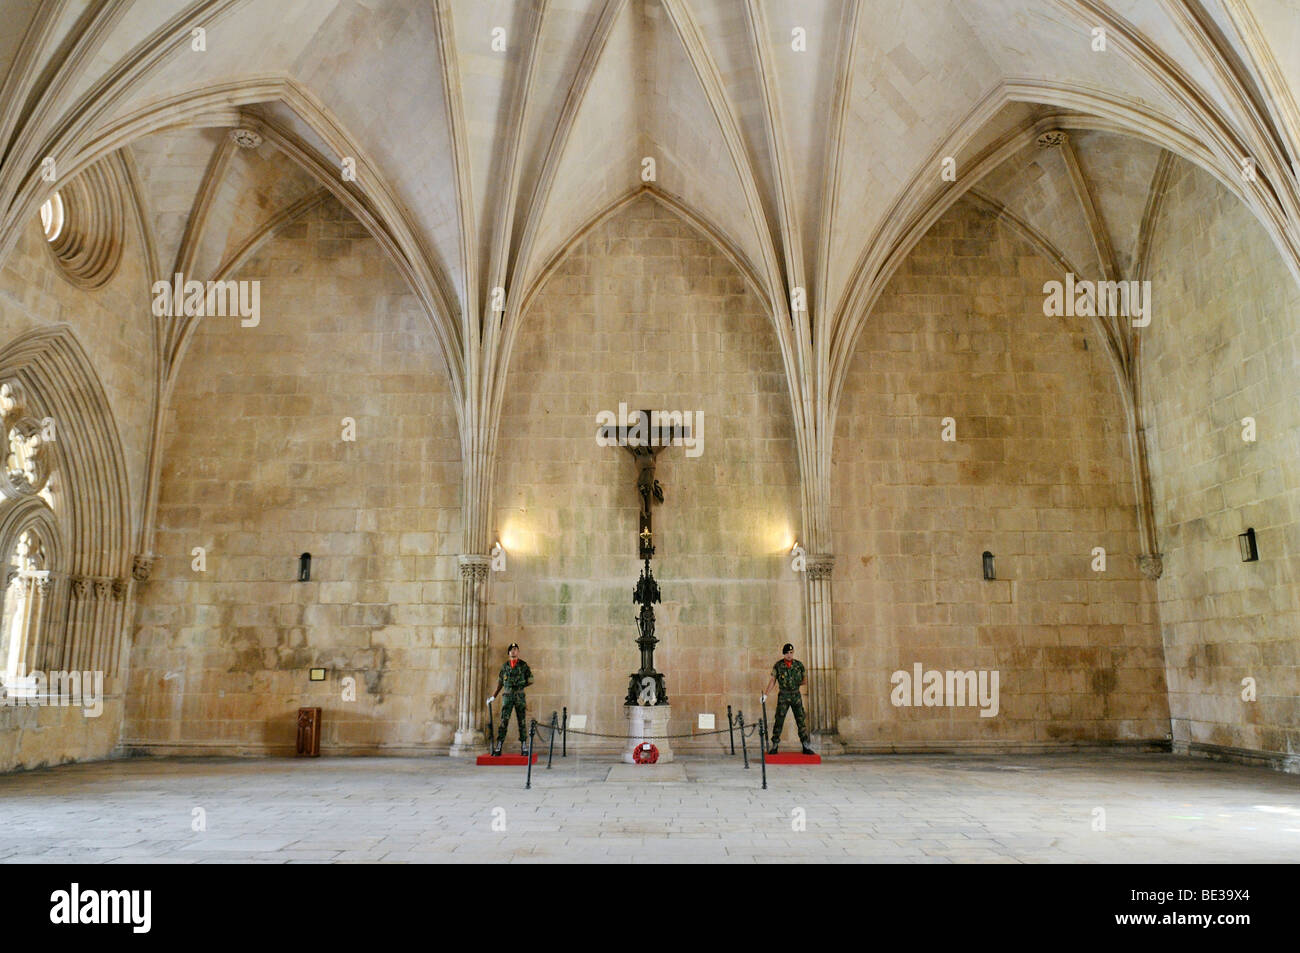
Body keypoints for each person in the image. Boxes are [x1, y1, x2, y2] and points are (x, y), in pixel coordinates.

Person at [762, 642, 815, 755]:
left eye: (791, 652)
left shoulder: (799, 665)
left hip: (796, 695)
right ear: (784, 654)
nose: (789, 655)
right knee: (779, 720)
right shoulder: (778, 665)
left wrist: (794, 684)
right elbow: (772, 681)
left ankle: (805, 745)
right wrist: (765, 694)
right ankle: (775, 745)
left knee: (800, 720)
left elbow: (805, 680)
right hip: (784, 696)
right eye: (787, 653)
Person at [487, 642, 533, 755]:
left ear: (518, 652)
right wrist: (493, 696)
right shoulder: (505, 666)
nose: (514, 651)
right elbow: (500, 683)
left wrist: (521, 686)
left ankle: (524, 746)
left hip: (519, 696)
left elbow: (531, 680)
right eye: (512, 650)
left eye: (516, 649)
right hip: (507, 696)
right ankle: (499, 746)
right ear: (508, 652)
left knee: (521, 721)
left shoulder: (523, 665)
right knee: (504, 721)